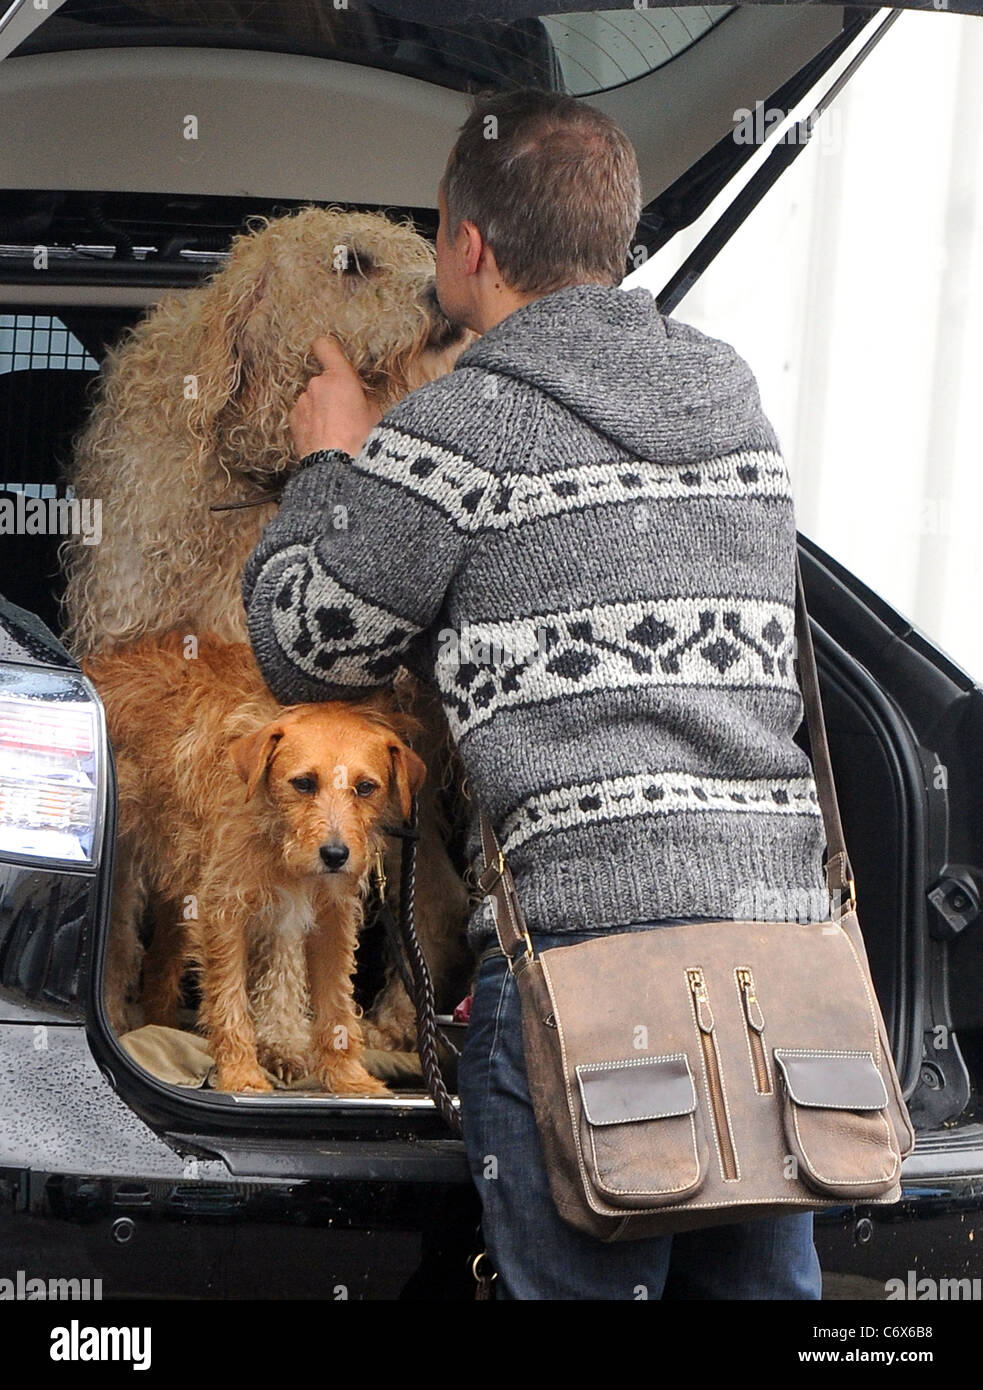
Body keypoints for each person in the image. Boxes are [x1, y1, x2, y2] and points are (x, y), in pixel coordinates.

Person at [242, 88, 830, 1300]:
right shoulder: (732, 400)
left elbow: (306, 647)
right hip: (777, 971)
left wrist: (329, 463)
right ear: (614, 238)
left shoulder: (462, 423)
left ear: (467, 246)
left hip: (586, 976)